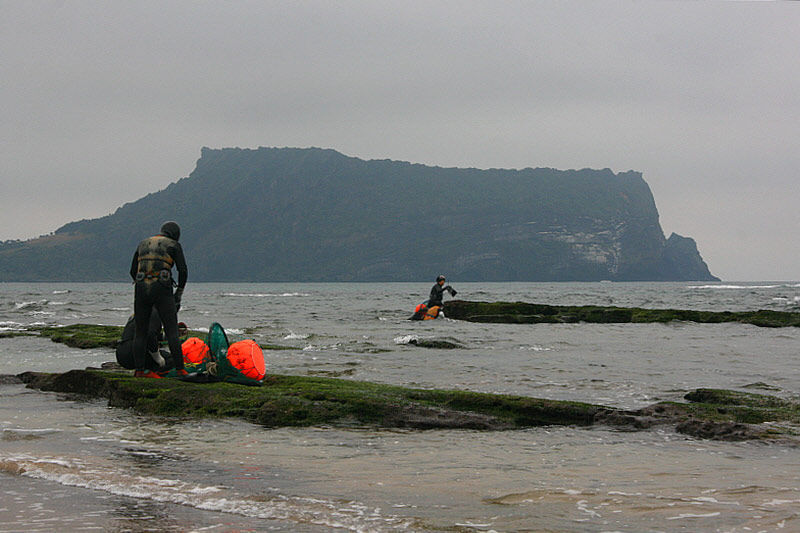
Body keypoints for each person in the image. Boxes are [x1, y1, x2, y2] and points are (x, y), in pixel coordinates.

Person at [129, 221, 188, 378]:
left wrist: (141, 283)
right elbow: (183, 270)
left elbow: (132, 270)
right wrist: (179, 293)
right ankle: (181, 370)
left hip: (141, 287)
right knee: (171, 332)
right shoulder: (174, 245)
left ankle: (139, 370)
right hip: (162, 288)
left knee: (140, 332)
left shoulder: (143, 243)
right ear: (175, 235)